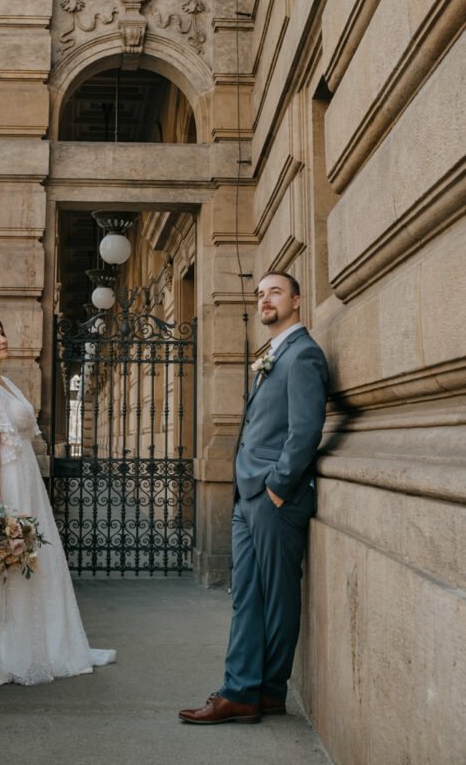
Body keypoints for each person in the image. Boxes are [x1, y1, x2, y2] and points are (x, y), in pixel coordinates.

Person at [179, 272, 328, 724]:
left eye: (275, 292)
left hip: (273, 497)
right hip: (250, 495)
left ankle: (256, 690)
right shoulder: (275, 355)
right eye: (260, 293)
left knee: (276, 596)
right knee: (248, 595)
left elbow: (305, 431)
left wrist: (278, 489)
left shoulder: (303, 355)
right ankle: (249, 690)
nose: (265, 299)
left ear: (297, 301)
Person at [0, 315, 115, 686]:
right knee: (9, 569)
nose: (2, 340)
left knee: (35, 562)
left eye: (2, 333)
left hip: (25, 478)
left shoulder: (5, 382)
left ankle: (42, 642)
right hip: (7, 483)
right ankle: (9, 650)